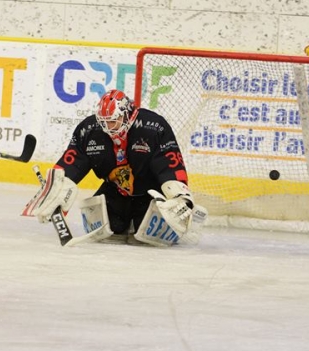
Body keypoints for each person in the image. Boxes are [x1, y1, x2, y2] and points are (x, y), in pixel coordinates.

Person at [24, 89, 207, 246]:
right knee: (109, 230)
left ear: (128, 114)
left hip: (149, 193)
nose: (107, 127)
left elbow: (170, 163)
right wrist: (56, 189)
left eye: (113, 121)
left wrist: (179, 196)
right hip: (115, 191)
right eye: (103, 121)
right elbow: (72, 161)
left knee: (152, 237)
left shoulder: (154, 127)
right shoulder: (88, 130)